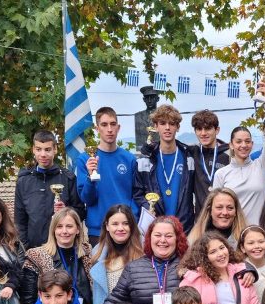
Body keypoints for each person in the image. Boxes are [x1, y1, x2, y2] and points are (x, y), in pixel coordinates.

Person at [96, 216, 188, 304]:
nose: (163, 240)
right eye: (157, 235)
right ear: (149, 238)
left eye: (168, 236)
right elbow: (114, 302)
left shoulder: (189, 266)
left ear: (177, 239)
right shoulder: (133, 269)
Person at [213, 85, 265, 224]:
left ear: (252, 144)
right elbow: (216, 210)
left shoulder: (261, 166)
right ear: (231, 145)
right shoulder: (221, 174)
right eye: (239, 142)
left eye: (247, 141)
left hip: (258, 233)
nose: (243, 145)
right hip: (232, 235)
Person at [14, 129, 85, 249]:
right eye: (38, 149)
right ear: (33, 150)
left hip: (62, 247)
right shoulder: (23, 181)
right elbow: (20, 221)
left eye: (47, 150)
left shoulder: (68, 178)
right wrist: (24, 250)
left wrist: (67, 211)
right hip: (33, 249)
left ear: (55, 149)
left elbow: (81, 212)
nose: (43, 154)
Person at [77, 107, 137, 245]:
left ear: (118, 127)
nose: (109, 129)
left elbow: (136, 195)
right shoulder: (85, 159)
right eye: (104, 125)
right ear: (97, 128)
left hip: (124, 230)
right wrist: (91, 178)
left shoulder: (129, 159)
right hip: (98, 231)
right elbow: (87, 199)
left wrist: (132, 220)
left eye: (113, 124)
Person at [133, 104, 196, 233]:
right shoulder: (145, 160)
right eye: (162, 123)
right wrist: (148, 208)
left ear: (178, 127)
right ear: (156, 127)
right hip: (157, 229)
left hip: (184, 229)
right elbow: (137, 193)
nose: (167, 128)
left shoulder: (189, 158)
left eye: (172, 123)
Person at [179, 233, 264, 304]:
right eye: (213, 252)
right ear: (204, 258)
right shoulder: (192, 280)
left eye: (222, 248)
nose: (220, 254)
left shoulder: (242, 274)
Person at [19, 207, 93, 304]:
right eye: (59, 226)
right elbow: (28, 300)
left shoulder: (89, 255)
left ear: (77, 230)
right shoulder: (37, 257)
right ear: (53, 230)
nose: (64, 231)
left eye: (69, 226)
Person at [89, 204, 144, 304]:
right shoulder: (96, 254)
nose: (120, 228)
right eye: (115, 224)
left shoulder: (144, 253)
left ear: (132, 226)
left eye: (125, 223)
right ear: (107, 226)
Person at [187, 109, 230, 215]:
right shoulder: (192, 152)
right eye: (199, 129)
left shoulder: (229, 155)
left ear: (217, 130)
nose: (203, 133)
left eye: (207, 128)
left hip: (224, 216)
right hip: (200, 218)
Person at [238, 225, 265, 304]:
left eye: (261, 242)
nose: (257, 246)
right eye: (251, 243)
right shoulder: (240, 269)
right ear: (242, 248)